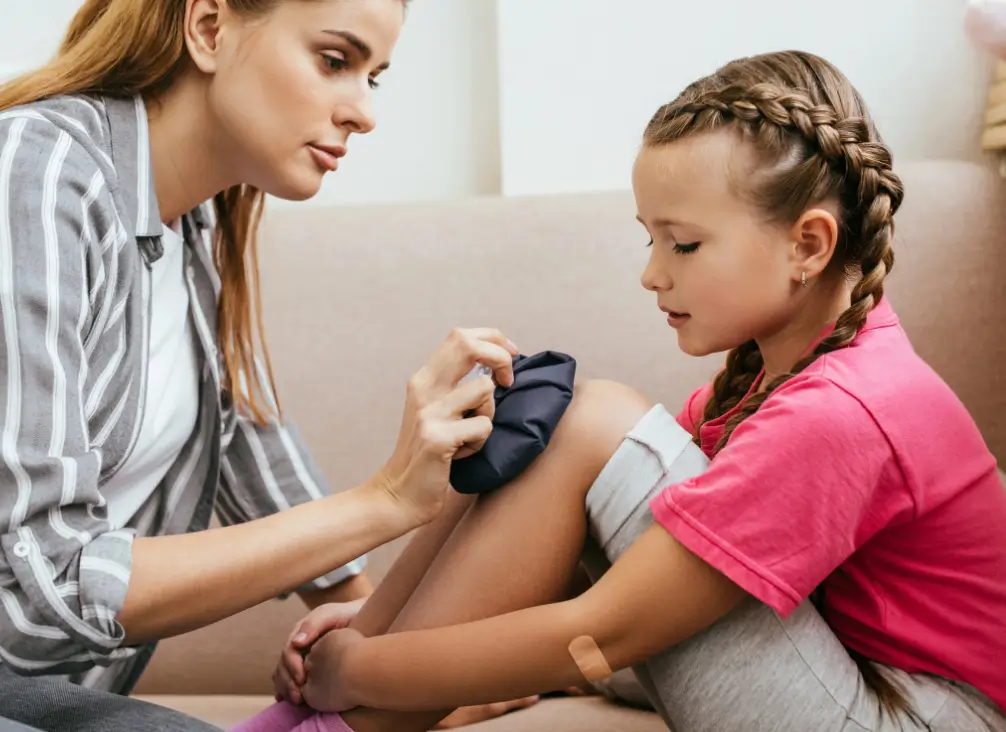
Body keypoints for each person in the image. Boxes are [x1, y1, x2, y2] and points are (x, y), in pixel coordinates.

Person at [249, 51, 1006, 732]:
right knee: (556, 423)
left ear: (807, 245)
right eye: (650, 239)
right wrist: (382, 625)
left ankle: (344, 718)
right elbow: (563, 548)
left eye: (684, 243)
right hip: (850, 678)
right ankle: (357, 679)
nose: (653, 273)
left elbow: (603, 631)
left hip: (920, 715)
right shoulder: (764, 386)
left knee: (594, 421)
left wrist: (359, 669)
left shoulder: (843, 413)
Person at [0, 0, 549, 729]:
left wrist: (385, 650)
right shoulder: (40, 173)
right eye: (334, 60)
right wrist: (384, 498)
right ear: (208, 28)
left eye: (374, 78)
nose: (363, 113)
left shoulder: (196, 230)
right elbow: (50, 588)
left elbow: (252, 461)